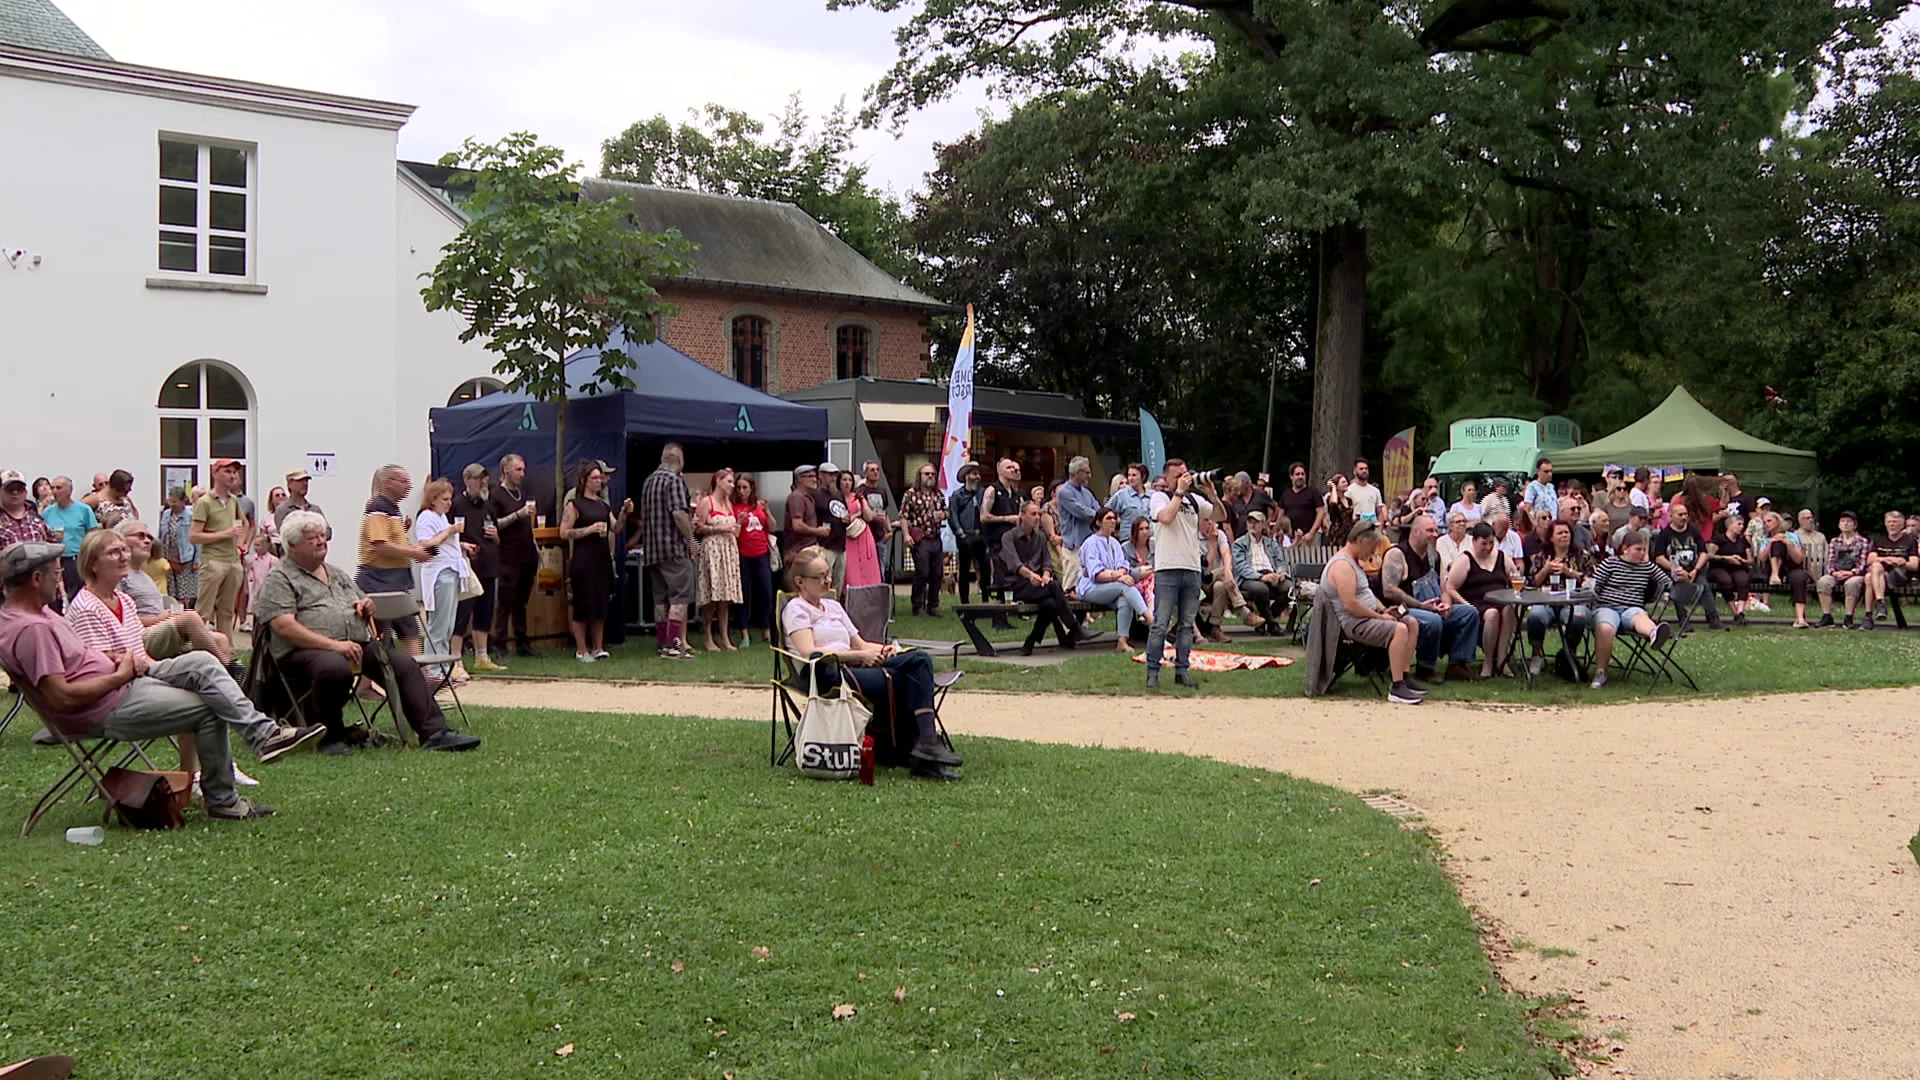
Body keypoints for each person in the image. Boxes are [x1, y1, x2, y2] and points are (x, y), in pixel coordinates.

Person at [0, 539, 276, 819]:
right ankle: (224, 801)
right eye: (56, 574)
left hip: (121, 685)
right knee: (210, 706)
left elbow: (78, 658)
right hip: (103, 707)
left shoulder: (37, 614)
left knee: (202, 661)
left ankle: (265, 735)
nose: (59, 581)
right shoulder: (31, 630)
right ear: (36, 579)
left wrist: (111, 658)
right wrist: (120, 675)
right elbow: (63, 696)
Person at [65, 527, 322, 778]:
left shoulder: (124, 601)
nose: (123, 556)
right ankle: (256, 727)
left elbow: (137, 649)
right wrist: (145, 664)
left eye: (123, 550)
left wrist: (160, 670)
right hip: (120, 689)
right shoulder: (88, 607)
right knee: (203, 672)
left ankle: (260, 734)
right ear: (93, 564)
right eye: (113, 553)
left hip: (142, 670)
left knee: (205, 658)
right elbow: (100, 663)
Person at [255, 511, 481, 755]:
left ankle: (434, 732)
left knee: (403, 664)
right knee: (334, 667)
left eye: (323, 535)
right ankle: (330, 736)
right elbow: (284, 626)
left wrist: (367, 606)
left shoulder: (335, 573)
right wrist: (333, 646)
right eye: (312, 538)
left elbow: (361, 599)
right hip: (302, 653)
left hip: (353, 645)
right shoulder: (279, 578)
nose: (322, 541)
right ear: (292, 545)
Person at [783, 551, 961, 781]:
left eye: (828, 574)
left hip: (855, 663)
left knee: (919, 661)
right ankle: (920, 751)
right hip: (824, 673)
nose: (827, 580)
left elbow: (861, 643)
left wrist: (882, 650)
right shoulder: (796, 609)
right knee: (905, 677)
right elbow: (809, 652)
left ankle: (924, 744)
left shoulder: (833, 606)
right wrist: (859, 656)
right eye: (820, 577)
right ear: (800, 582)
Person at [112, 519, 241, 674]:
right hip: (139, 637)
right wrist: (160, 618)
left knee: (221, 639)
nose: (147, 541)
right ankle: (234, 670)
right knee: (189, 617)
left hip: (160, 630)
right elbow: (119, 619)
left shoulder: (143, 576)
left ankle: (228, 685)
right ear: (121, 540)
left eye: (149, 537)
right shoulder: (119, 575)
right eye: (140, 536)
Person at [1143, 460, 1223, 689]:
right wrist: (1179, 491)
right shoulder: (1160, 497)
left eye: (1186, 474)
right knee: (1160, 623)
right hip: (1168, 568)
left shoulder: (1194, 500)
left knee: (1187, 625)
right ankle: (1153, 672)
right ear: (1167, 478)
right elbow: (1166, 518)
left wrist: (1212, 495)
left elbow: (1219, 515)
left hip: (1192, 569)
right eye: (1178, 475)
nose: (1185, 478)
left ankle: (1182, 671)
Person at [1323, 526, 1426, 704]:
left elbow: (1367, 595)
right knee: (1399, 629)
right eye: (1372, 548)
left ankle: (1405, 675)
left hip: (1367, 616)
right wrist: (1380, 617)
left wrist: (1383, 610)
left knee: (1411, 623)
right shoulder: (1342, 566)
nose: (1373, 554)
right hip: (1354, 624)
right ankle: (1397, 687)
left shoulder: (1353, 562)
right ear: (1362, 541)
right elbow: (1350, 605)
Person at [1382, 513, 1481, 684]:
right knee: (1432, 620)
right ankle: (1425, 667)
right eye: (1430, 531)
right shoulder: (1397, 554)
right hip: (1402, 610)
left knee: (1470, 613)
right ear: (1415, 532)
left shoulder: (1433, 556)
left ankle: (1458, 664)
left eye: (1436, 530)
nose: (1435, 534)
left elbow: (1443, 586)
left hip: (1433, 608)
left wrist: (1446, 604)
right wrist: (1421, 606)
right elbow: (1389, 590)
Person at [999, 499, 1100, 656]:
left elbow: (1047, 562)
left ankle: (1030, 641)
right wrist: (1031, 575)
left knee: (1051, 604)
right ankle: (1074, 628)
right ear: (1022, 516)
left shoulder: (1040, 537)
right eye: (1033, 514)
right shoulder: (1008, 537)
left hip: (1038, 586)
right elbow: (1014, 564)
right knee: (1054, 587)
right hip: (1015, 586)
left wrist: (1045, 575)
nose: (1037, 517)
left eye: (1039, 514)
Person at [1586, 531, 1676, 689]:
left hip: (1631, 607)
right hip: (1607, 606)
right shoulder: (1610, 564)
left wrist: (1678, 577)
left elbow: (1667, 583)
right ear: (1625, 549)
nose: (1642, 554)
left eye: (1644, 550)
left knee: (1640, 616)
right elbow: (1595, 587)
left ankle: (1654, 633)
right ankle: (1601, 671)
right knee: (1606, 628)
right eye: (1638, 549)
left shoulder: (1647, 567)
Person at [355, 465, 431, 650]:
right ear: (389, 483)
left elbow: (390, 542)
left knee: (409, 631)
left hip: (396, 581)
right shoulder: (378, 507)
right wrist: (413, 553)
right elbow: (379, 544)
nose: (409, 487)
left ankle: (420, 675)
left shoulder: (393, 509)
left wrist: (408, 542)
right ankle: (415, 675)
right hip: (378, 581)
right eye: (404, 481)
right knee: (381, 637)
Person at [639, 445, 698, 659]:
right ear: (680, 459)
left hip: (653, 550)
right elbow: (678, 514)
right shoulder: (673, 480)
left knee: (660, 599)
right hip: (673, 549)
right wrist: (691, 539)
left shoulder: (649, 481)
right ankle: (674, 645)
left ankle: (662, 643)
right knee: (679, 598)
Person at [411, 478, 470, 676]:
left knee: (447, 625)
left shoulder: (441, 517)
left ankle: (443, 669)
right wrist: (449, 531)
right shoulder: (426, 517)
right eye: (444, 499)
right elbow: (426, 544)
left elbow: (444, 544)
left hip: (451, 569)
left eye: (450, 498)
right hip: (439, 573)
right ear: (433, 499)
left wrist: (461, 545)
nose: (449, 502)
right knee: (438, 624)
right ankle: (433, 670)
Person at [561, 460, 618, 662]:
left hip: (601, 559)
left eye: (600, 478)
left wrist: (625, 514)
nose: (598, 481)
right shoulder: (574, 504)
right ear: (584, 480)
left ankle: (598, 647)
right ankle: (581, 649)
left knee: (600, 603)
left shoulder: (603, 504)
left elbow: (615, 528)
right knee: (582, 604)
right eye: (594, 478)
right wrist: (589, 530)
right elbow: (564, 532)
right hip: (583, 559)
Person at [1521, 520, 1594, 677]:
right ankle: (1537, 655)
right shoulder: (1542, 557)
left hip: (1574, 602)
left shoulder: (1582, 555)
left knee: (1578, 617)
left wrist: (1568, 572)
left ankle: (1568, 654)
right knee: (1535, 616)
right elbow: (1532, 583)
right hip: (1547, 603)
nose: (1564, 536)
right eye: (1559, 533)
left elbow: (1591, 581)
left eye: (1566, 532)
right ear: (1551, 538)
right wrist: (1546, 570)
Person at [1447, 522, 1518, 680]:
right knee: (1492, 614)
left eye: (1491, 543)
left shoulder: (1501, 556)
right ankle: (1488, 663)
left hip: (1500, 599)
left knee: (1508, 609)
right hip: (1477, 602)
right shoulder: (1465, 559)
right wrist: (1467, 605)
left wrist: (1515, 582)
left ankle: (1502, 659)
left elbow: (1515, 576)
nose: (1488, 547)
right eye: (1483, 544)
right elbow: (1450, 587)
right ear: (1474, 541)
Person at [486, 454, 540, 659]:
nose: (522, 474)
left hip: (527, 553)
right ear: (506, 470)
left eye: (523, 470)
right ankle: (500, 643)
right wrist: (518, 514)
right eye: (518, 469)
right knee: (505, 601)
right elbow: (493, 524)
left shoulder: (521, 492)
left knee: (521, 601)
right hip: (508, 554)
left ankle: (522, 641)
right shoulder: (497, 495)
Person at [450, 464, 502, 671]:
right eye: (478, 479)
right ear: (467, 480)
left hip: (488, 566)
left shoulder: (488, 506)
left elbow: (498, 537)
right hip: (467, 567)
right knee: (462, 613)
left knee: (485, 612)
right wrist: (463, 546)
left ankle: (482, 656)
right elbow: (448, 536)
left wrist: (495, 536)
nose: (482, 483)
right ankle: (456, 659)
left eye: (484, 479)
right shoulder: (456, 506)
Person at [1078, 508, 1148, 652]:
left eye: (1114, 518)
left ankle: (1122, 641)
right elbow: (1096, 574)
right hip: (1091, 588)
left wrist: (1120, 575)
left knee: (1125, 599)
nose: (1112, 521)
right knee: (1125, 587)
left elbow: (1123, 566)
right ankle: (1150, 619)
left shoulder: (1115, 543)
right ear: (1098, 522)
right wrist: (1119, 577)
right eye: (1108, 518)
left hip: (1111, 587)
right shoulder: (1090, 543)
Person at [1650, 502, 1723, 631]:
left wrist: (1696, 570)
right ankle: (1683, 621)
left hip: (1694, 571)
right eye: (1680, 515)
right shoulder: (1665, 535)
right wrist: (1677, 570)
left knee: (1704, 586)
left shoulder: (1693, 532)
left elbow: (1703, 553)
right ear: (1671, 516)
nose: (1683, 517)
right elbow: (1659, 558)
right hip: (1673, 573)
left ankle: (1714, 620)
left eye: (1685, 514)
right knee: (1678, 586)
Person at [692, 467, 742, 653]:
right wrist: (720, 530)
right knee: (712, 596)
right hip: (713, 549)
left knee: (725, 597)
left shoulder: (728, 503)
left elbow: (734, 531)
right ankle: (707, 636)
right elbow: (698, 527)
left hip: (728, 550)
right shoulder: (707, 501)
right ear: (719, 481)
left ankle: (725, 637)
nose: (732, 485)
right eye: (729, 481)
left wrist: (739, 523)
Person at [1198, 515, 1263, 641]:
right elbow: (1207, 572)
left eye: (1212, 519)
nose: (1210, 523)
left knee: (1220, 586)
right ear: (1198, 521)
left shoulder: (1220, 534)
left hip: (1220, 581)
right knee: (1223, 573)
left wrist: (1228, 571)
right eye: (1206, 520)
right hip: (1199, 583)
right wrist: (1212, 545)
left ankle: (1214, 628)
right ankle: (1244, 612)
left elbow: (1227, 554)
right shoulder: (1193, 537)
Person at [732, 473, 775, 645]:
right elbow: (734, 532)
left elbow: (772, 527)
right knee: (743, 595)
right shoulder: (734, 507)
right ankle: (744, 634)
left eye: (745, 487)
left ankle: (766, 632)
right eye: (739, 488)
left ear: (752, 489)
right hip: (743, 555)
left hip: (761, 553)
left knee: (766, 593)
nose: (742, 491)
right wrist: (739, 521)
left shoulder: (759, 506)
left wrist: (767, 511)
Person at [1230, 511, 1290, 633]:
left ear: (1263, 525)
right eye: (1250, 522)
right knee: (1261, 589)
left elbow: (1281, 562)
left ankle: (1264, 620)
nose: (1252, 525)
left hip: (1271, 574)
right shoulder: (1239, 544)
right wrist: (1261, 577)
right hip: (1251, 577)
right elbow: (1241, 567)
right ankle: (1272, 624)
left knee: (1289, 589)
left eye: (1256, 522)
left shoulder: (1271, 543)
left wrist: (1281, 572)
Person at [41, 476, 98, 603]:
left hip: (76, 559)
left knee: (78, 597)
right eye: (53, 488)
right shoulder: (48, 512)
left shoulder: (83, 510)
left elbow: (93, 535)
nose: (55, 491)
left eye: (59, 488)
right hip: (56, 560)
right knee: (58, 599)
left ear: (69, 491)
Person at [900, 463, 947, 617]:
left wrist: (943, 515)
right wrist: (906, 535)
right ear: (919, 476)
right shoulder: (911, 494)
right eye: (927, 474)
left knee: (938, 573)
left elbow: (947, 511)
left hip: (936, 537)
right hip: (920, 539)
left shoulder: (938, 494)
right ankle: (917, 605)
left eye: (933, 474)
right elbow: (904, 516)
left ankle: (933, 605)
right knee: (923, 572)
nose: (930, 477)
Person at [1862, 510, 1917, 632]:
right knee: (1871, 574)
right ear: (1885, 524)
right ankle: (1877, 607)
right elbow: (1870, 560)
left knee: (1871, 575)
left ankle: (1871, 615)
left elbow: (1914, 565)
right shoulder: (1879, 540)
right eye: (1889, 522)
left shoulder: (1909, 541)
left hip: (1900, 576)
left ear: (1902, 525)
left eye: (1895, 522)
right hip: (1881, 577)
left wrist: (1902, 562)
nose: (1892, 524)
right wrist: (1887, 559)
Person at [1754, 510, 1811, 627]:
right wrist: (1770, 543)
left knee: (1799, 578)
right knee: (1776, 544)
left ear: (1778, 521)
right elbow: (1762, 558)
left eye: (1769, 521)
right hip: (1771, 571)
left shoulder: (1793, 536)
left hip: (1791, 567)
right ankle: (1775, 574)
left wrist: (1788, 543)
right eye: (1764, 522)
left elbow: (1798, 559)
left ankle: (1800, 618)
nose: (1766, 524)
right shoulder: (1765, 538)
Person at [977, 458, 1023, 600]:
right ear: (1000, 470)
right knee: (1000, 572)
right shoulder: (992, 490)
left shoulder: (1016, 494)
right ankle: (997, 604)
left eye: (1014, 468)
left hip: (1013, 539)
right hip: (997, 539)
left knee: (1013, 571)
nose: (1013, 470)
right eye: (1009, 467)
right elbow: (983, 517)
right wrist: (1007, 518)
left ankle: (1010, 601)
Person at [1817, 510, 1871, 629]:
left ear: (1855, 525)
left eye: (1849, 522)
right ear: (1839, 524)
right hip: (1836, 573)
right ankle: (1827, 617)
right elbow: (1829, 562)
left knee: (1852, 584)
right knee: (1823, 582)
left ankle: (1848, 618)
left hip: (1855, 574)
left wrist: (1851, 573)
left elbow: (1863, 564)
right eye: (1843, 521)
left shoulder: (1863, 542)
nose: (1845, 524)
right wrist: (1834, 572)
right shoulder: (1834, 541)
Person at [945, 463, 989, 605]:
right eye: (974, 474)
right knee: (964, 570)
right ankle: (964, 601)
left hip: (981, 536)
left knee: (985, 568)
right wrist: (960, 534)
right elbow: (953, 515)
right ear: (967, 476)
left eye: (978, 474)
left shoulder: (984, 493)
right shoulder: (957, 495)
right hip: (966, 536)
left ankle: (985, 598)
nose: (978, 477)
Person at [1705, 511, 1755, 625]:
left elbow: (1750, 560)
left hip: (1737, 567)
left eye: (1742, 524)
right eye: (1739, 524)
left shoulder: (1743, 541)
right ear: (1730, 525)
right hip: (1718, 567)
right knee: (1725, 580)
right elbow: (1709, 555)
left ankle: (1740, 612)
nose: (1741, 527)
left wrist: (1743, 561)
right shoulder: (1719, 539)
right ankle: (1735, 612)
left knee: (1743, 579)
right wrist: (1726, 558)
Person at [783, 464, 829, 586]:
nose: (814, 479)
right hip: (798, 551)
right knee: (800, 589)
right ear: (799, 479)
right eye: (809, 476)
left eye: (815, 476)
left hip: (809, 548)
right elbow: (797, 525)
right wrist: (818, 531)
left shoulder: (809, 497)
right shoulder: (797, 497)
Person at [811, 462, 852, 594]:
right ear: (821, 476)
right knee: (824, 580)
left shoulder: (838, 494)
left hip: (840, 544)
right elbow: (812, 518)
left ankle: (835, 607)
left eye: (835, 475)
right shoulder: (815, 494)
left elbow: (845, 513)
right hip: (825, 545)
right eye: (830, 475)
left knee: (838, 581)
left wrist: (847, 518)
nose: (833, 478)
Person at [855, 460, 896, 583]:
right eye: (872, 470)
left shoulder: (882, 491)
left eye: (877, 470)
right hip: (865, 535)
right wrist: (872, 517)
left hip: (880, 536)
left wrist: (889, 531)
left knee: (881, 568)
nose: (875, 472)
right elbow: (857, 512)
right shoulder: (860, 491)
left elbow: (885, 511)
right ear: (866, 473)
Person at [157, 485, 198, 608]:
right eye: (170, 501)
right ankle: (174, 613)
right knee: (171, 588)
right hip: (168, 555)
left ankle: (186, 614)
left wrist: (197, 560)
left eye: (175, 501)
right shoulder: (166, 514)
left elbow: (196, 540)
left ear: (182, 501)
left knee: (185, 590)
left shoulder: (190, 516)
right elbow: (161, 533)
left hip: (185, 557)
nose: (172, 504)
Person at [1055, 456, 1100, 550]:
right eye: (1087, 472)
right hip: (1074, 548)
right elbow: (1082, 512)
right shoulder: (1064, 492)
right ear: (1077, 473)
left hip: (1090, 545)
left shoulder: (1087, 492)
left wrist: (1100, 515)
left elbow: (1098, 510)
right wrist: (1099, 516)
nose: (1090, 476)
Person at [1, 470, 52, 549]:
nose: (15, 492)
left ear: (25, 492)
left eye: (19, 489)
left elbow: (54, 549)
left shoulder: (37, 518)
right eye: (10, 489)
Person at [1276, 462, 1325, 543]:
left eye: (1303, 474)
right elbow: (1280, 515)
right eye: (1297, 474)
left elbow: (1321, 513)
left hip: (1309, 537)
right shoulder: (1286, 494)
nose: (1300, 476)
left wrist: (1311, 533)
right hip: (1290, 538)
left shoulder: (1313, 492)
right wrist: (1279, 532)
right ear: (1291, 476)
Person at [1105, 463, 1155, 540]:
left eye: (1134, 475)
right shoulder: (1121, 495)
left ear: (1143, 476)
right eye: (1129, 475)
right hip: (1128, 539)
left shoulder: (1153, 495)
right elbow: (1105, 512)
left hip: (1149, 539)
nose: (1130, 478)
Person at [1346, 458, 1384, 526]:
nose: (1364, 471)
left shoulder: (1375, 491)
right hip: (1356, 528)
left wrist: (1380, 530)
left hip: (1372, 529)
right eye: (1361, 469)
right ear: (1354, 471)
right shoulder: (1348, 491)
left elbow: (1380, 513)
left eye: (1366, 468)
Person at [1322, 473, 1355, 548]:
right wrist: (1333, 488)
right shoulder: (1330, 498)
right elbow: (1334, 502)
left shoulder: (1349, 500)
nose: (1346, 484)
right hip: (1337, 532)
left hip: (1348, 532)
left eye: (1346, 482)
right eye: (1343, 482)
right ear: (1337, 486)